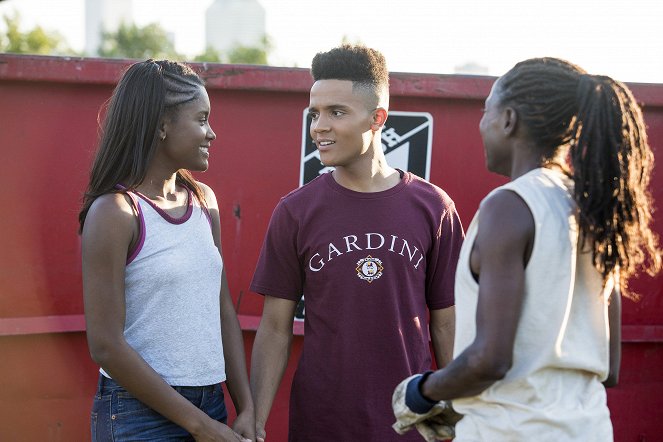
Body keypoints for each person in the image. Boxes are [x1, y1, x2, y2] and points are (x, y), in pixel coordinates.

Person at [393, 57, 662, 441]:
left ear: (508, 120)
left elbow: (491, 359)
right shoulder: (595, 209)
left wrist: (420, 392)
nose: (481, 124)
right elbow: (610, 367)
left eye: (487, 111)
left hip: (510, 432)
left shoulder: (509, 205)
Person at [249, 44, 464, 441]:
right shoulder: (296, 212)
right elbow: (276, 328)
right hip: (322, 423)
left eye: (336, 112)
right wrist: (256, 420)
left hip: (410, 421)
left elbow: (446, 322)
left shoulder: (434, 207)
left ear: (377, 118)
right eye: (315, 113)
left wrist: (460, 412)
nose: (319, 126)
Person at [79, 59, 255, 442]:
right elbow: (106, 346)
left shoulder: (204, 201)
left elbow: (222, 309)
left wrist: (246, 407)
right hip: (137, 415)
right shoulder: (115, 212)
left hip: (211, 405)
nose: (212, 133)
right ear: (161, 126)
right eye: (202, 119)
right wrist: (200, 426)